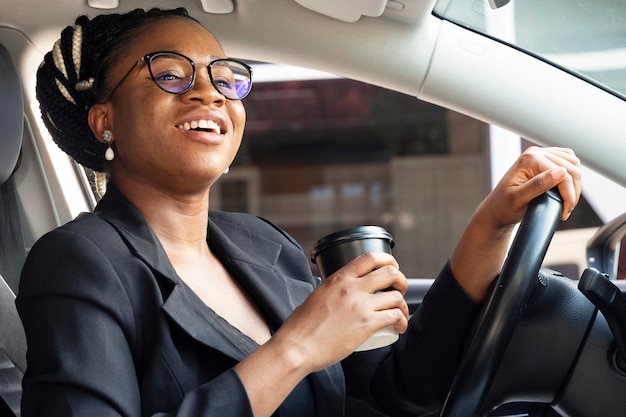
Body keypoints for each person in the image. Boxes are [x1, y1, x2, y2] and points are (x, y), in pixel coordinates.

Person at [17, 7, 582, 417]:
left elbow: (400, 389)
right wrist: (297, 349)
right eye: (170, 72)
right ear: (104, 119)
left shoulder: (263, 243)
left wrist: (492, 224)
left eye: (225, 77)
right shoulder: (78, 261)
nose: (210, 93)